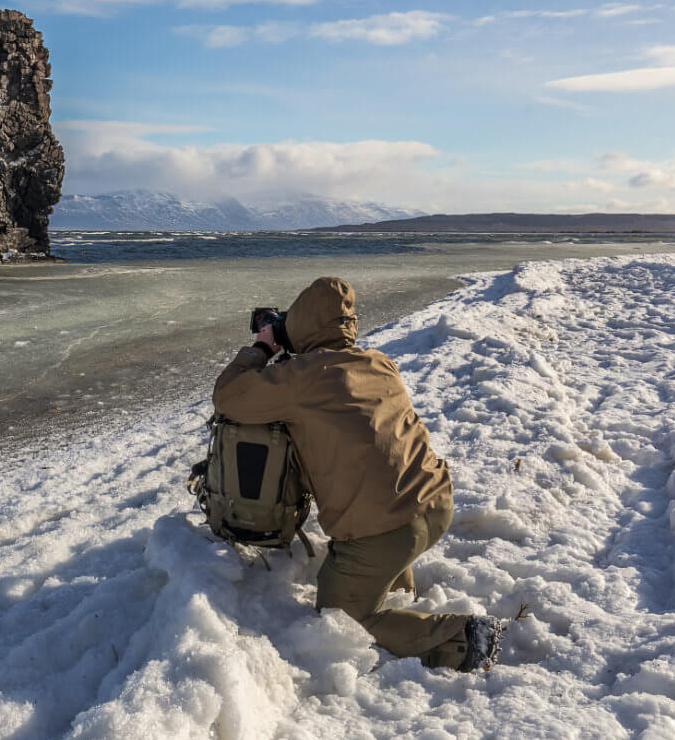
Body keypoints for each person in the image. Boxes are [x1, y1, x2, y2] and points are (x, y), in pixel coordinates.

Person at [211, 276, 499, 671]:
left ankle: (460, 639)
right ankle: (397, 587)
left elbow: (228, 397)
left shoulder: (301, 379)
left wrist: (263, 346)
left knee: (340, 616)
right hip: (435, 503)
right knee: (385, 529)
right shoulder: (379, 364)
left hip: (386, 531)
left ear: (301, 326)